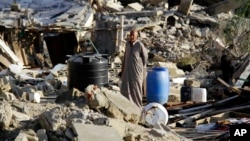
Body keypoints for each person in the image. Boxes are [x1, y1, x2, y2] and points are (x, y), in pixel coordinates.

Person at [120, 29, 148, 109]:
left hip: (136, 72)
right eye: (130, 35)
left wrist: (139, 66)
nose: (131, 37)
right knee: (125, 88)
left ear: (137, 37)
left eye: (133, 36)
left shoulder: (139, 45)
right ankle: (127, 106)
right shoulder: (127, 44)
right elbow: (125, 57)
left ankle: (138, 107)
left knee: (136, 89)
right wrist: (122, 70)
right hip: (127, 71)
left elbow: (145, 58)